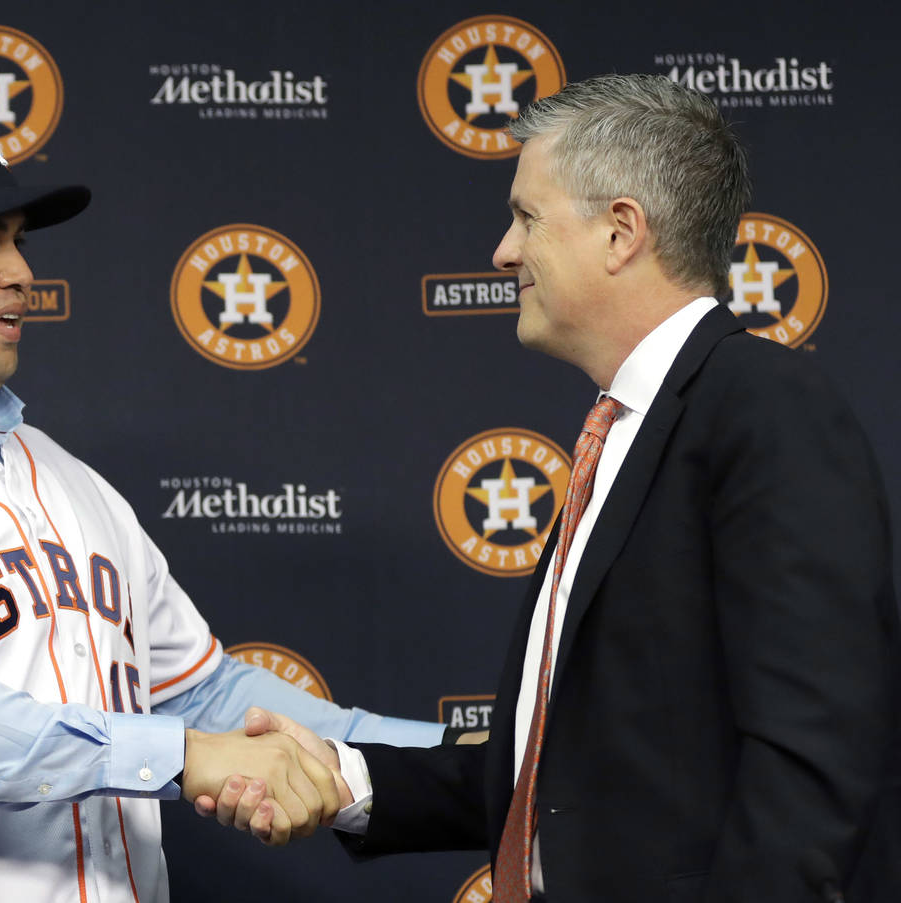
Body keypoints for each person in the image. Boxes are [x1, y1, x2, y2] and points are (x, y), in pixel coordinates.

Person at [216, 74, 901, 901]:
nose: (504, 251)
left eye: (527, 217)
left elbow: (813, 757)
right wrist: (342, 776)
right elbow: (564, 777)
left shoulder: (763, 406)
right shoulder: (621, 433)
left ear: (620, 233)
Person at [0, 122, 442, 903]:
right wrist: (179, 755)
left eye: (20, 242)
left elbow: (203, 695)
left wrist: (469, 753)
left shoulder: (71, 483)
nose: (21, 272)